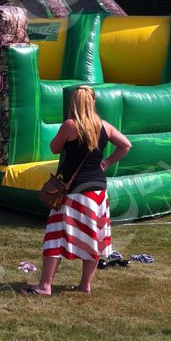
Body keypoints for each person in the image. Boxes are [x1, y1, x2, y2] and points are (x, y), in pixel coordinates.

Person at [23, 85, 131, 295]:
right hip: (98, 191)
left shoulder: (70, 125)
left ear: (74, 103)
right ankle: (85, 285)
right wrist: (106, 162)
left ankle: (45, 286)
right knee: (93, 238)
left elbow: (54, 148)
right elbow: (126, 145)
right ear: (92, 103)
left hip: (74, 192)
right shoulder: (104, 126)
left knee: (55, 235)